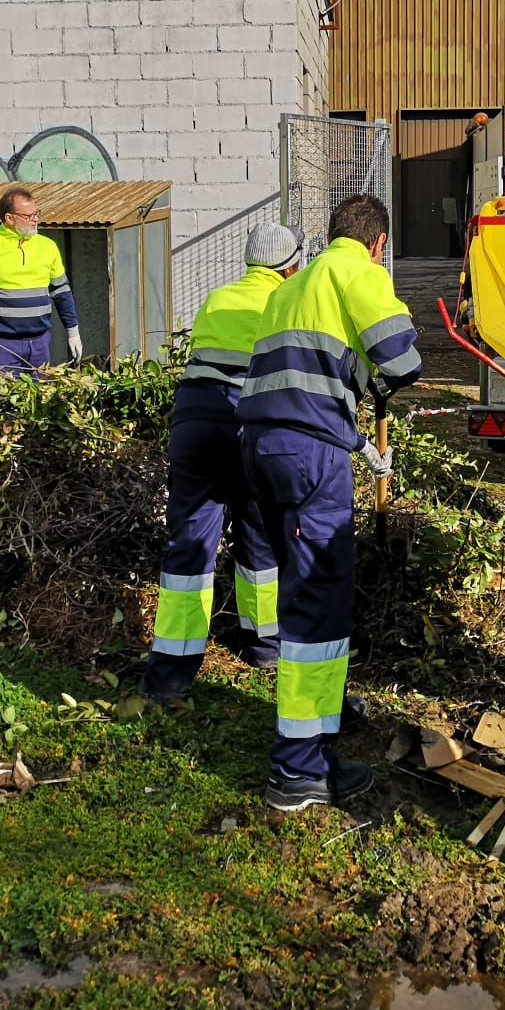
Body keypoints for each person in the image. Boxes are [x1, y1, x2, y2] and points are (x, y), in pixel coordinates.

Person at [238, 194, 420, 812]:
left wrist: (358, 438)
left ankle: (324, 711)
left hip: (261, 449)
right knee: (318, 604)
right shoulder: (355, 270)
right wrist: (378, 384)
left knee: (299, 589)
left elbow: (302, 379)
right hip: (312, 459)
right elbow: (404, 357)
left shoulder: (291, 290)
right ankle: (297, 771)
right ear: (378, 244)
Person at [141, 223, 304, 703]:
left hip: (196, 420)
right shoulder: (289, 302)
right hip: (252, 423)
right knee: (260, 533)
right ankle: (265, 646)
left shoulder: (218, 298)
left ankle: (170, 673)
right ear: (291, 265)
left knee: (191, 543)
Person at [0, 187, 80, 387]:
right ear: (9, 219)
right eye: (29, 215)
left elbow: (62, 292)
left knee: (39, 405)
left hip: (39, 343)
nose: (35, 219)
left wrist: (73, 331)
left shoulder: (47, 247)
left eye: (37, 213)